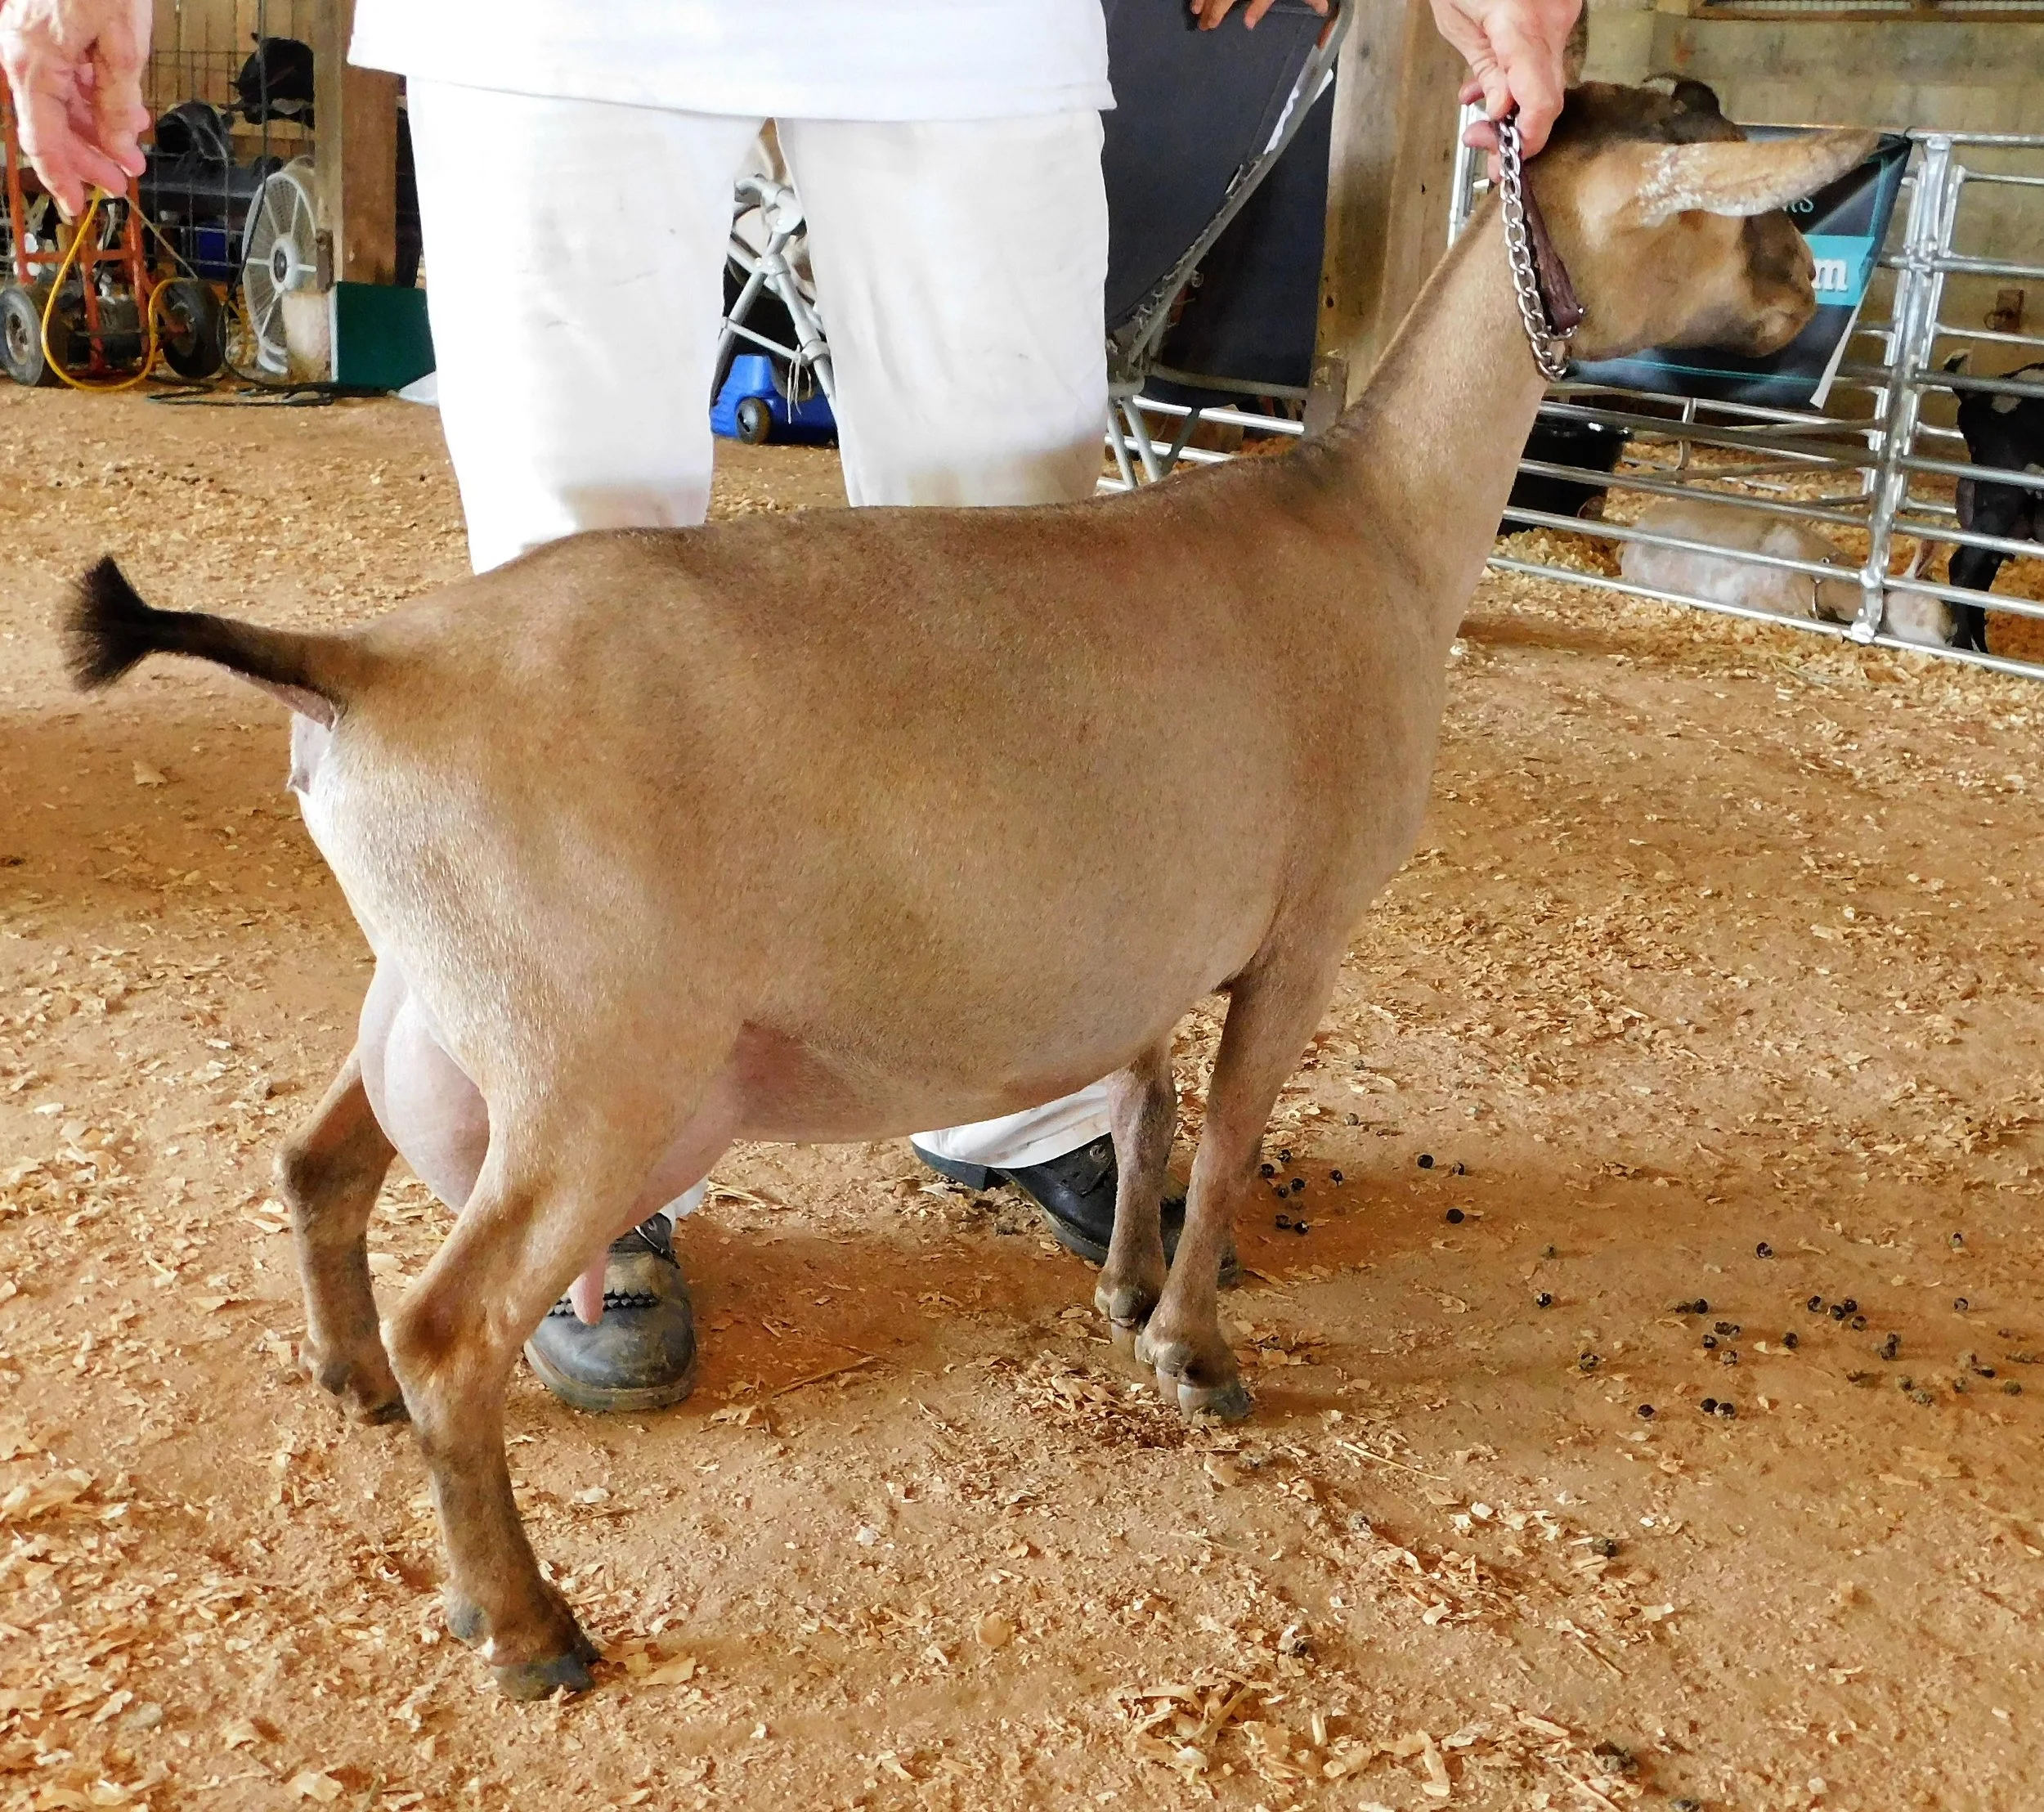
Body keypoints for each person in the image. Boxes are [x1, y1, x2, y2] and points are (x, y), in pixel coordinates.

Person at [4, 0, 1581, 1413]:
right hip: (559, 29)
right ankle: (604, 1169)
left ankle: (1021, 1109)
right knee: (575, 629)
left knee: (1036, 587)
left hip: (964, 30)